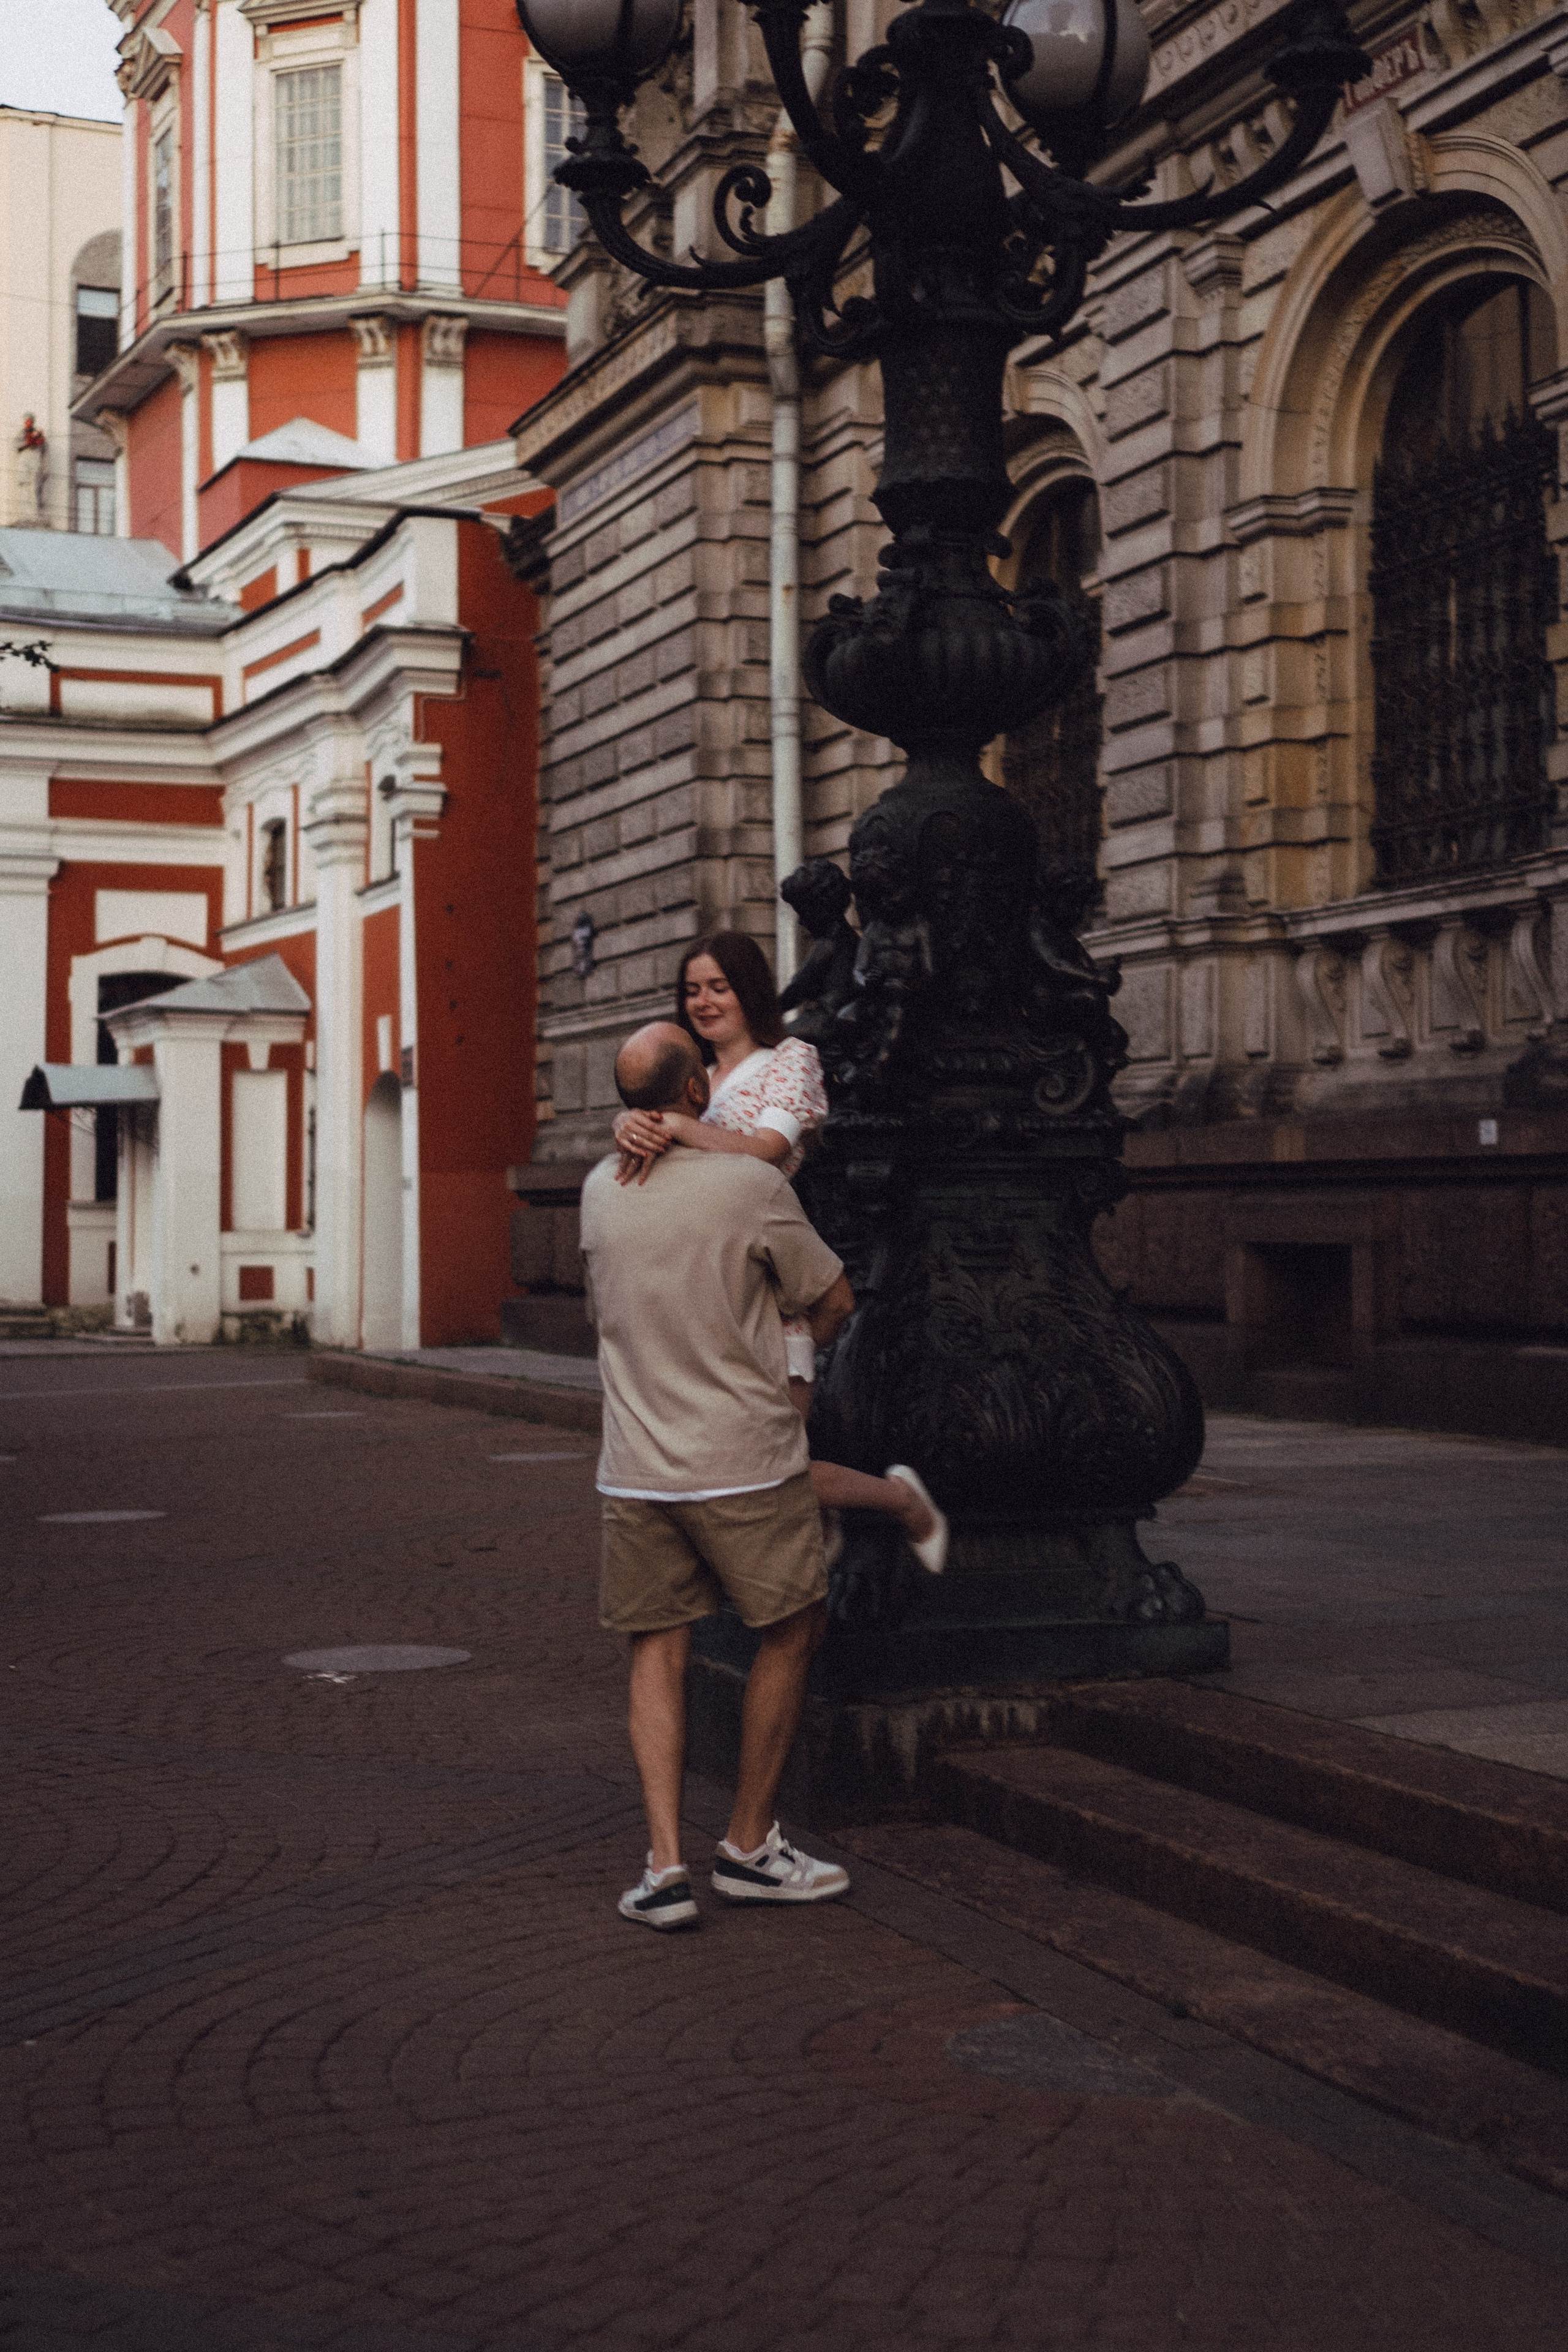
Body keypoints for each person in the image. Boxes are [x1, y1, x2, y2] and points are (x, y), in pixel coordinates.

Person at [581, 1020, 857, 1931]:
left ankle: (663, 1868)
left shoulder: (596, 1193)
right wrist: (778, 1324)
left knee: (657, 1650)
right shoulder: (751, 1186)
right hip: (744, 1459)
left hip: (637, 1467)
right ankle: (746, 1846)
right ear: (697, 1092)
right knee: (792, 1627)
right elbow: (834, 1300)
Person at [611, 930, 947, 1574]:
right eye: (692, 990)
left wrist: (681, 1127)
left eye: (718, 987)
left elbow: (768, 1150)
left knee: (774, 1463)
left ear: (748, 991)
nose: (705, 1002)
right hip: (697, 1286)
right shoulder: (687, 1074)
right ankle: (813, 1553)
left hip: (768, 1277)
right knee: (732, 1462)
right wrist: (626, 1123)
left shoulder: (788, 1061)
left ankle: (899, 1501)